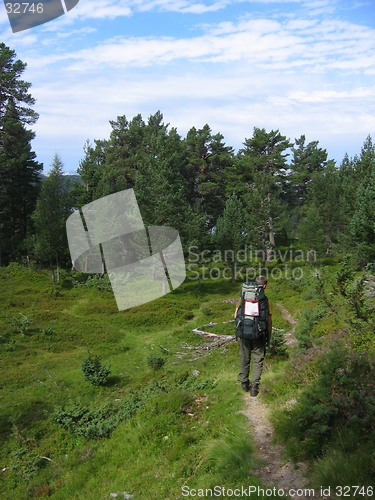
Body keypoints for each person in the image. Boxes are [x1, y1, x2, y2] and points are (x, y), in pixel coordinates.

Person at [233, 275, 272, 397]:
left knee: (244, 357)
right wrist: (268, 336)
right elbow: (269, 321)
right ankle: (254, 387)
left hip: (244, 332)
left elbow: (235, 315)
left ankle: (244, 383)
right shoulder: (266, 301)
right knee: (257, 360)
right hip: (259, 334)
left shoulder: (243, 298)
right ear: (264, 286)